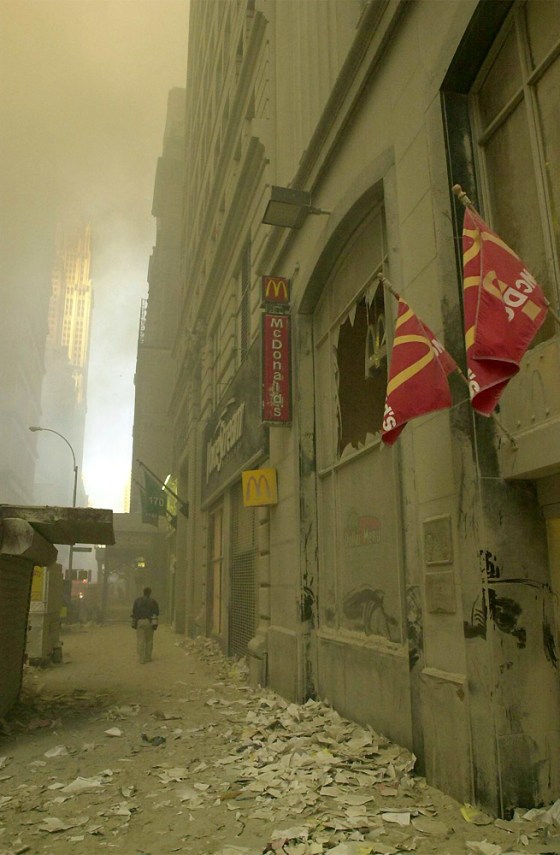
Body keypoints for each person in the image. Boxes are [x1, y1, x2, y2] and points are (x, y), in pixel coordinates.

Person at [131, 586, 159, 663]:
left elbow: (134, 611)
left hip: (139, 621)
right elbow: (157, 612)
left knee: (140, 640)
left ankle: (141, 658)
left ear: (143, 592)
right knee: (149, 640)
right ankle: (148, 657)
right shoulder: (153, 601)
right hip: (149, 622)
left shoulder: (137, 601)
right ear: (150, 593)